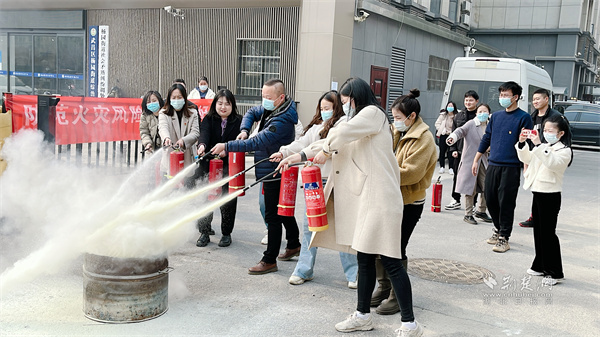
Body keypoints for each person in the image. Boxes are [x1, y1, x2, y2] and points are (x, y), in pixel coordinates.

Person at [278, 77, 423, 336]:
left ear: (356, 97)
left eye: (345, 101)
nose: (343, 107)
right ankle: (362, 315)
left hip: (381, 201)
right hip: (368, 201)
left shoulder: (373, 114)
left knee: (391, 261)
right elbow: (329, 139)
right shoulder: (354, 122)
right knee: (365, 260)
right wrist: (298, 156)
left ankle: (410, 324)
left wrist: (326, 149)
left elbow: (338, 136)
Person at [210, 78, 300, 275]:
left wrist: (227, 146)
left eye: (268, 97)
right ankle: (293, 243)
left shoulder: (282, 120)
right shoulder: (274, 108)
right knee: (282, 210)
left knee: (272, 215)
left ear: (281, 97)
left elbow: (257, 142)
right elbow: (251, 112)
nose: (264, 101)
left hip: (274, 171)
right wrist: (244, 130)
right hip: (269, 168)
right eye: (263, 96)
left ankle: (270, 260)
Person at [270, 90, 358, 288]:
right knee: (310, 229)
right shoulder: (316, 127)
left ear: (337, 108)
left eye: (328, 108)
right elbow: (302, 143)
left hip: (337, 183)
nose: (324, 112)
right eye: (322, 108)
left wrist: (297, 155)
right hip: (314, 184)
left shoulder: (344, 126)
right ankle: (304, 270)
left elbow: (323, 146)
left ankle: (354, 273)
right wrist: (283, 152)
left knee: (343, 229)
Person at [371, 88, 436, 316]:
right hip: (390, 196)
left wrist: (380, 171)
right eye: (393, 117)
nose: (394, 122)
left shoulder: (425, 139)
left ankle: (396, 297)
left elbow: (411, 173)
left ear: (412, 117)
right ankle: (383, 287)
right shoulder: (395, 132)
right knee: (381, 245)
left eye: (398, 118)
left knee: (396, 248)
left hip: (409, 202)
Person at [473, 81, 533, 253]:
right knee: (490, 199)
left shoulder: (524, 117)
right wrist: (476, 159)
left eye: (506, 95)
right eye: (501, 95)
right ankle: (498, 229)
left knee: (506, 202)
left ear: (515, 97)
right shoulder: (496, 117)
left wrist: (526, 166)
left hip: (511, 166)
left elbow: (526, 144)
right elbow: (487, 138)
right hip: (493, 163)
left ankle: (504, 237)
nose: (503, 98)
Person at [516, 114, 572, 286]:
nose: (547, 133)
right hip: (538, 192)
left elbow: (552, 164)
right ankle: (540, 265)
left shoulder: (564, 150)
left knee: (548, 234)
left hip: (551, 195)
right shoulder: (544, 146)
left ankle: (555, 272)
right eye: (545, 130)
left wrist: (539, 144)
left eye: (551, 130)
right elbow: (527, 159)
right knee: (539, 232)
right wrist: (522, 143)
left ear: (561, 133)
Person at [195, 89, 242, 248]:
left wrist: (226, 150)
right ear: (215, 104)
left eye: (227, 104)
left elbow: (240, 142)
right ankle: (204, 231)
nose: (223, 107)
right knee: (204, 198)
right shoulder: (208, 119)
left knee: (227, 200)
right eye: (220, 103)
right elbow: (204, 135)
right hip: (208, 165)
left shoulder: (238, 121)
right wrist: (202, 146)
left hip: (228, 166)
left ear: (232, 105)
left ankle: (226, 233)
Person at [519, 88, 561, 228]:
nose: (535, 101)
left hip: (549, 157)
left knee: (546, 190)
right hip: (534, 157)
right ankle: (534, 217)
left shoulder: (555, 117)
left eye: (538, 99)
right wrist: (526, 164)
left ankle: (543, 218)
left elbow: (564, 138)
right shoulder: (531, 117)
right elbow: (529, 142)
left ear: (546, 99)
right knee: (535, 188)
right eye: (534, 99)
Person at [447, 104, 493, 225]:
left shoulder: (490, 125)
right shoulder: (472, 123)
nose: (482, 113)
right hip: (469, 160)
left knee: (487, 187)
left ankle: (481, 211)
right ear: (477, 113)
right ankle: (468, 214)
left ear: (489, 113)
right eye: (480, 111)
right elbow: (460, 130)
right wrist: (453, 137)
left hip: (484, 160)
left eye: (485, 111)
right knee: (469, 188)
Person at [158, 83, 200, 179]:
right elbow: (162, 128)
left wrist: (184, 141)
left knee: (187, 188)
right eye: (174, 97)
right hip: (170, 158)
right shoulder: (163, 113)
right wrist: (166, 138)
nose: (176, 100)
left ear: (185, 98)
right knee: (169, 189)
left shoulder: (193, 113)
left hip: (188, 158)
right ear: (169, 99)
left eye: (179, 97)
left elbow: (195, 132)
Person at [446, 90, 479, 210]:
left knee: (473, 177)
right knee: (457, 175)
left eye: (471, 100)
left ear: (477, 101)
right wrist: (453, 148)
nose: (468, 102)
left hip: (475, 152)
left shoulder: (479, 115)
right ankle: (455, 199)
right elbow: (453, 132)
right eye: (466, 100)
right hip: (460, 151)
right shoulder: (459, 116)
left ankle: (474, 203)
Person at [435, 101, 457, 174]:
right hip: (443, 135)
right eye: (449, 106)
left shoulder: (456, 115)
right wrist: (441, 130)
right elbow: (437, 123)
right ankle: (442, 167)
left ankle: (451, 168)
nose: (450, 107)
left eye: (451, 106)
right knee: (442, 151)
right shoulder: (443, 115)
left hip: (452, 135)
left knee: (450, 151)